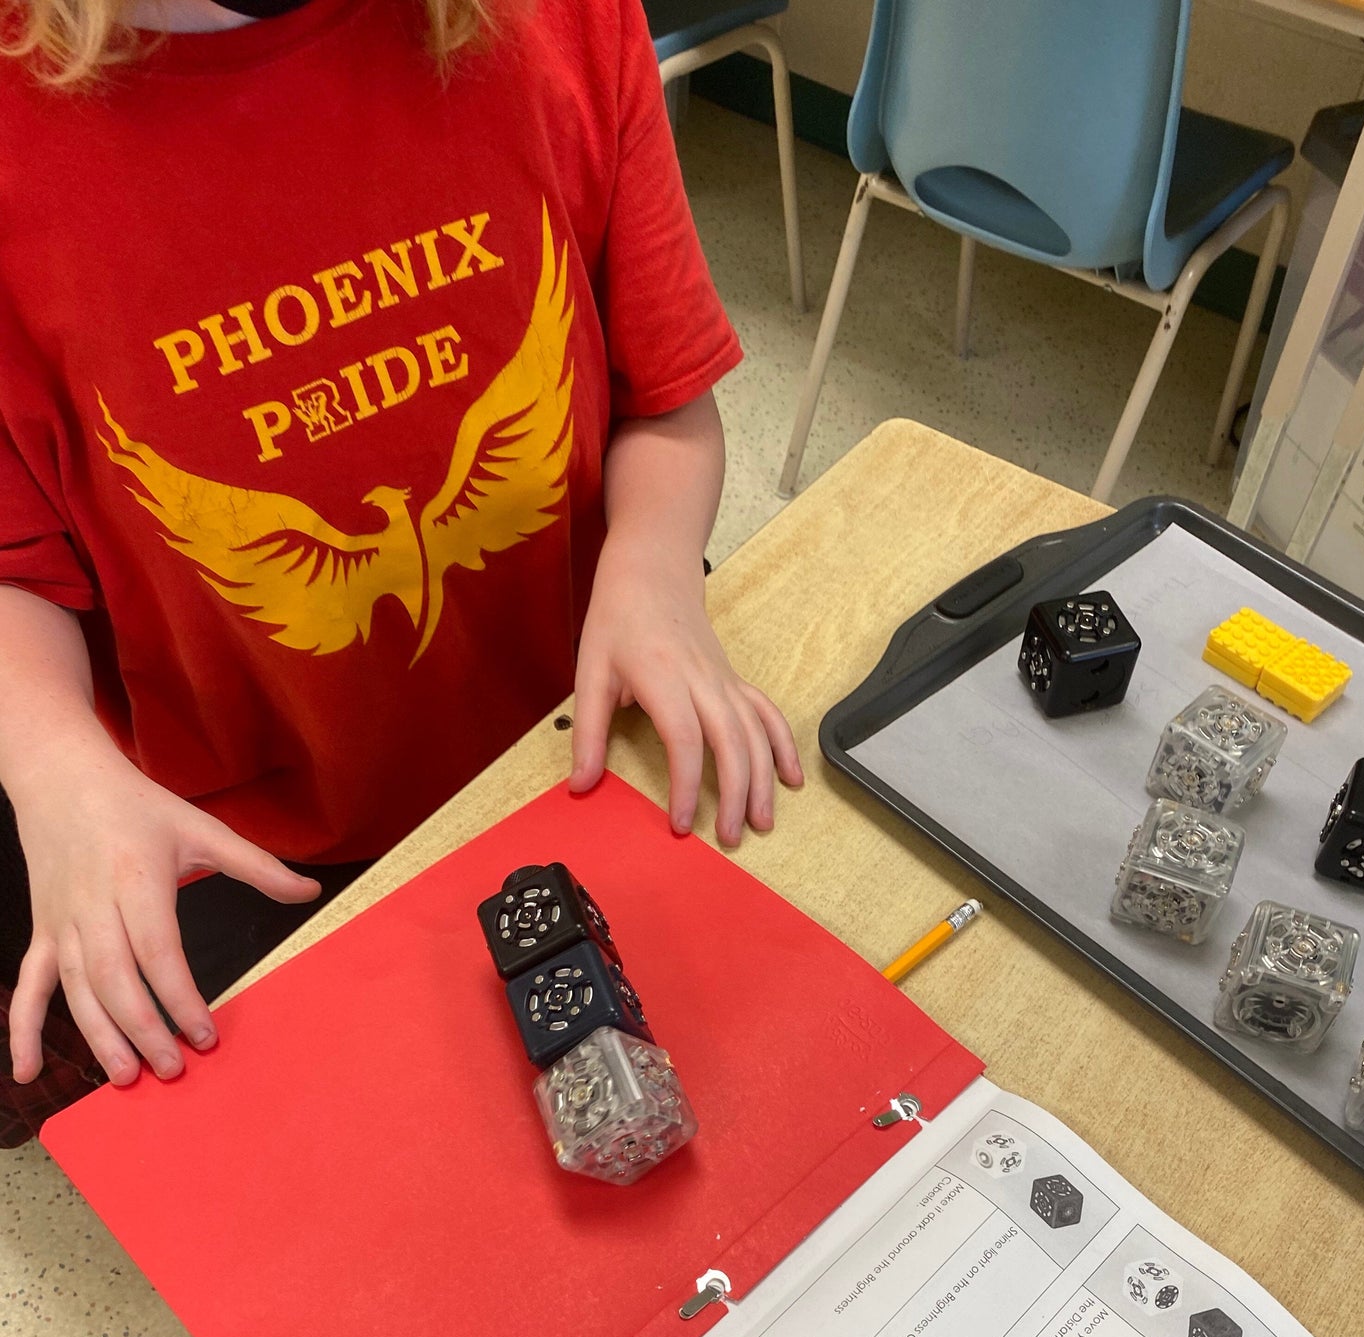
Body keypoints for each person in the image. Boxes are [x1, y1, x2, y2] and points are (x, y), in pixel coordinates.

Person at [0, 0, 802, 1114]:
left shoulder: (561, 25)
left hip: (576, 740)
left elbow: (662, 396)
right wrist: (52, 769)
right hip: (247, 839)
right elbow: (16, 564)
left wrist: (657, 569)